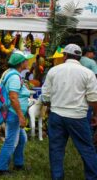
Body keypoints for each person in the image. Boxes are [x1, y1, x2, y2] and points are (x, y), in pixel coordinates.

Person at [42, 44, 97, 180]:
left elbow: (46, 97)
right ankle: (92, 177)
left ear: (65, 55)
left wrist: (50, 107)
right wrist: (96, 115)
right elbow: (94, 99)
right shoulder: (88, 73)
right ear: (79, 57)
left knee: (56, 149)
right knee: (87, 149)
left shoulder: (54, 71)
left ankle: (57, 177)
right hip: (78, 116)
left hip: (57, 115)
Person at [0, 50, 33, 175]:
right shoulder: (14, 77)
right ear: (21, 63)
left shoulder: (11, 73)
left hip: (12, 112)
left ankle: (18, 163)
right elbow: (13, 97)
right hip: (14, 114)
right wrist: (21, 116)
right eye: (26, 60)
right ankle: (1, 168)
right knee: (11, 141)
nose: (28, 62)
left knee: (22, 139)